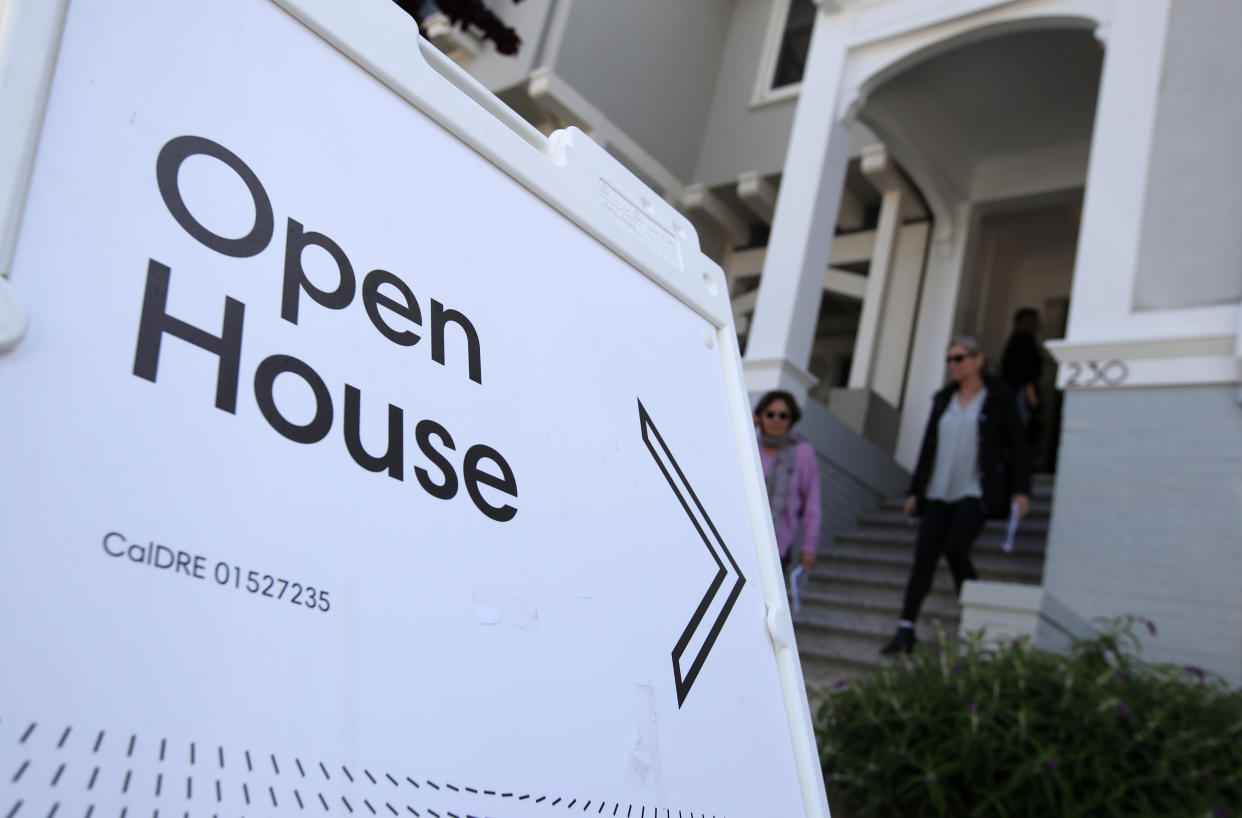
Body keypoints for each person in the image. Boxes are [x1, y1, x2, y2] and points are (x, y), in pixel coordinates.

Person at [880, 336, 1031, 655]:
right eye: (949, 359)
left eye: (960, 358)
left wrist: (1021, 490)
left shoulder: (999, 398)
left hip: (975, 489)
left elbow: (1017, 446)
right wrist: (915, 491)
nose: (953, 365)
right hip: (937, 490)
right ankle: (905, 629)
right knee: (924, 558)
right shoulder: (942, 399)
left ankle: (974, 614)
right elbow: (928, 446)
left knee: (955, 546)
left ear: (979, 360)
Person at [754, 391, 822, 576]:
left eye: (783, 415)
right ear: (759, 417)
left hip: (778, 546)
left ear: (791, 420)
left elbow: (812, 504)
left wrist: (809, 546)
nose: (776, 420)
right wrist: (747, 429)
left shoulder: (802, 452)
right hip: (741, 537)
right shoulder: (749, 446)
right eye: (770, 414)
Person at [1001, 307, 1043, 437]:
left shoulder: (1015, 339)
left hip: (1012, 389)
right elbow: (1026, 368)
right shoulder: (1025, 339)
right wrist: (1031, 393)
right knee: (1017, 429)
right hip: (1020, 390)